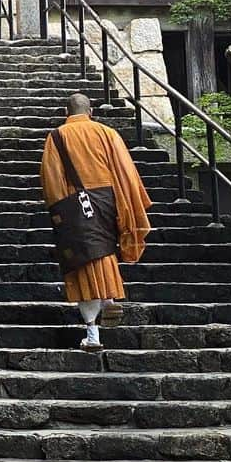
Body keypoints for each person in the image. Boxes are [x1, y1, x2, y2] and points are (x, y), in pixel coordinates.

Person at [40, 92, 153, 352]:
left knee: (82, 265)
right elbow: (126, 171)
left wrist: (60, 213)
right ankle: (108, 297)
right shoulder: (106, 133)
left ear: (65, 112)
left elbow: (51, 180)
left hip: (75, 206)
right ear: (91, 112)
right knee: (105, 252)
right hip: (108, 202)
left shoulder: (56, 137)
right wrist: (126, 202)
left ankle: (93, 332)